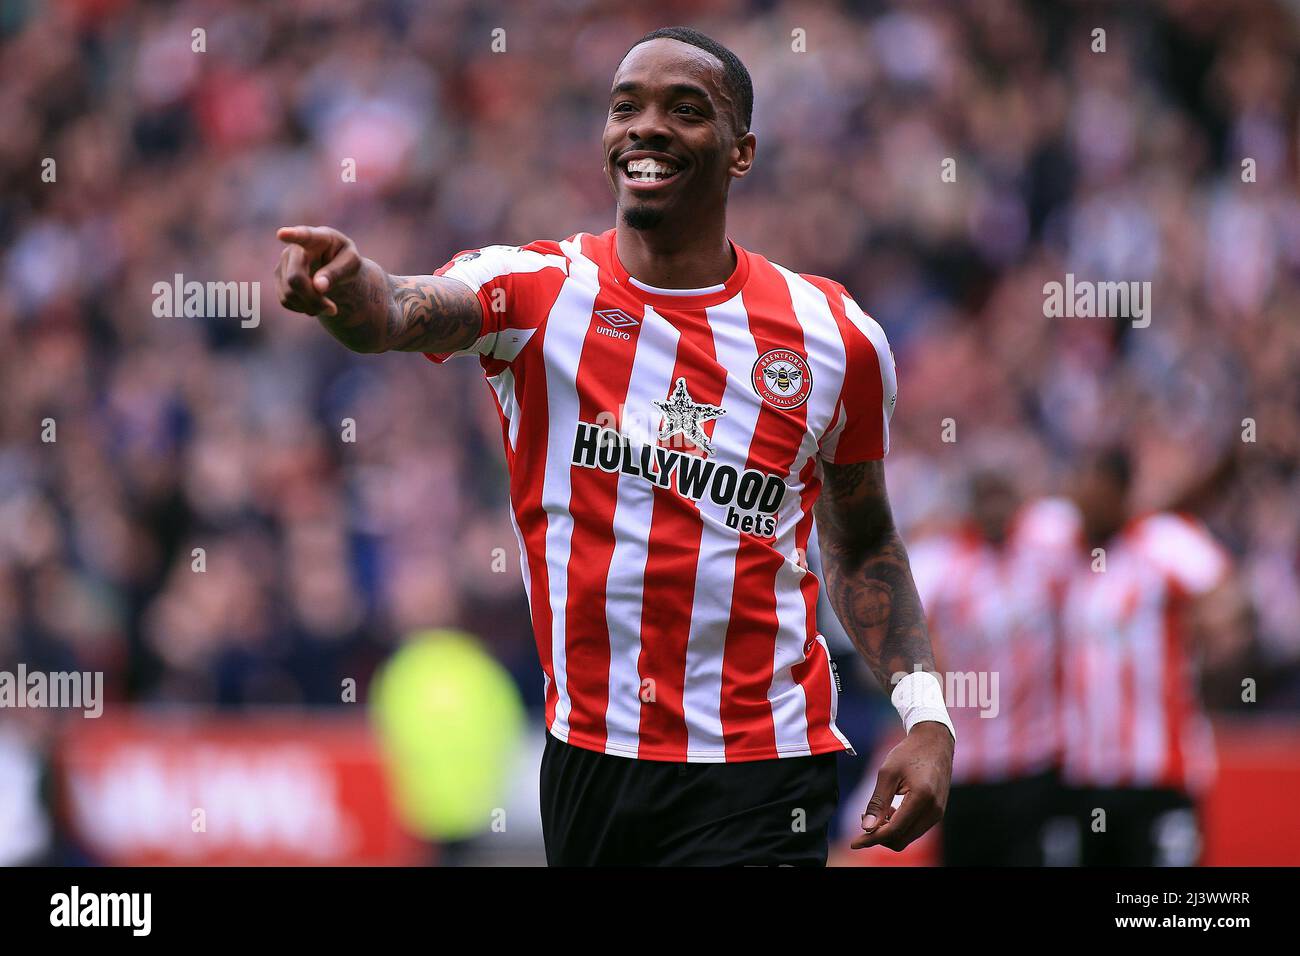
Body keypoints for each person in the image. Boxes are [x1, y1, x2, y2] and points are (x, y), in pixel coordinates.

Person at [273, 26, 953, 866]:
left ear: (741, 152)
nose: (645, 126)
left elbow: (864, 535)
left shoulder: (831, 338)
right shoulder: (536, 293)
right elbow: (402, 310)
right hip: (590, 765)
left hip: (761, 767)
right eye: (625, 107)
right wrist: (349, 292)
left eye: (685, 109)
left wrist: (927, 715)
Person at [1056, 448, 1241, 865]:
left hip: (1159, 774)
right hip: (1086, 776)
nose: (1084, 507)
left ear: (1121, 494)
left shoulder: (1162, 542)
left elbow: (1226, 599)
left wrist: (1211, 639)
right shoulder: (1069, 558)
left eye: (1095, 494)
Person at [908, 469, 1065, 865]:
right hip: (966, 765)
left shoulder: (1045, 553)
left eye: (1002, 497)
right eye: (985, 498)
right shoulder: (940, 565)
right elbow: (903, 643)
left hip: (1035, 757)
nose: (995, 509)